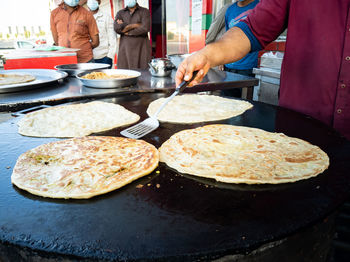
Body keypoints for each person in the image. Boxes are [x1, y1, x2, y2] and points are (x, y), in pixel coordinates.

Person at [176, 0, 350, 141]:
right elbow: (253, 28)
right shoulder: (230, 9)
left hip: (251, 71)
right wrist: (207, 55)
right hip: (298, 127)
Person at [222, 0, 259, 97]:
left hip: (247, 68)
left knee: (245, 106)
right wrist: (222, 59)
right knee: (226, 104)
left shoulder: (259, 6)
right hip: (228, 68)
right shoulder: (230, 10)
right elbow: (227, 37)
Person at [113, 0, 151, 70]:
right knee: (125, 75)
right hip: (125, 50)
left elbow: (145, 28)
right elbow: (117, 28)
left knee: (143, 75)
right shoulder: (120, 13)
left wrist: (127, 30)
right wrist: (134, 25)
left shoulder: (144, 11)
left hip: (142, 49)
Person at [87, 0, 116, 68]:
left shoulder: (106, 17)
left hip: (104, 57)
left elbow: (112, 37)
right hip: (88, 58)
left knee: (104, 78)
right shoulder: (83, 17)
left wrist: (110, 56)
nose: (92, 1)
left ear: (99, 2)